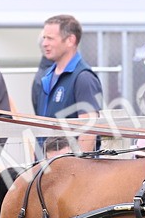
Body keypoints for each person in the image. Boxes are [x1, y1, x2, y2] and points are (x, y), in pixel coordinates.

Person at [32, 14, 102, 153]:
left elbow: (88, 131)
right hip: (46, 167)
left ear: (70, 40)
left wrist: (78, 169)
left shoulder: (83, 78)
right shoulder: (46, 77)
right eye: (44, 38)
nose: (44, 43)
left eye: (50, 38)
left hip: (70, 170)